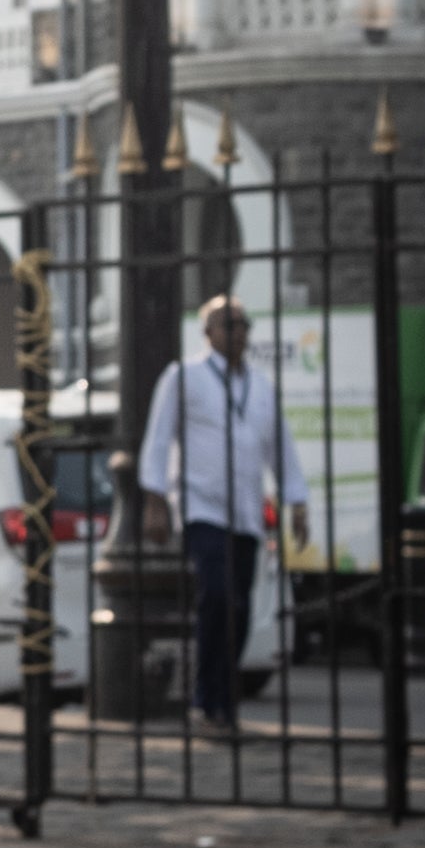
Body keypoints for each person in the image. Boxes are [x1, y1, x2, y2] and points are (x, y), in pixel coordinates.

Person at [139, 295, 302, 743]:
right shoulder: (184, 377)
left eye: (244, 324)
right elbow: (158, 438)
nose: (239, 333)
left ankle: (223, 702)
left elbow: (279, 446)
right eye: (229, 325)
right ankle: (205, 699)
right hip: (201, 505)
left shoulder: (261, 385)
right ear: (207, 332)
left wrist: (297, 500)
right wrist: (155, 500)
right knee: (218, 596)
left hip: (246, 510)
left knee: (242, 607)